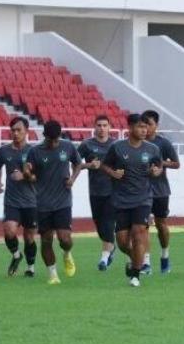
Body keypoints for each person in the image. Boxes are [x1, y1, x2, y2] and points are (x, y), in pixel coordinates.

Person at [101, 113, 163, 287]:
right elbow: (105, 165)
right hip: (121, 199)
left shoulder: (152, 149)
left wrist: (155, 172)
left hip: (143, 199)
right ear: (130, 128)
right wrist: (113, 173)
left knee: (138, 234)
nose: (144, 130)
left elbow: (158, 167)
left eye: (146, 127)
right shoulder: (117, 147)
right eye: (140, 127)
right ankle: (136, 260)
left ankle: (135, 275)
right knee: (122, 242)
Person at [23, 120, 82, 285]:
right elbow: (27, 168)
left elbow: (78, 164)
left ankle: (67, 253)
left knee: (65, 238)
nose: (54, 143)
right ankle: (53, 274)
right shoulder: (35, 151)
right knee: (47, 239)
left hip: (63, 201)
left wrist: (72, 179)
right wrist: (28, 174)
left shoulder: (68, 147)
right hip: (42, 203)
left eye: (57, 139)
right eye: (51, 140)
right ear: (45, 137)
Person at [0, 117, 37, 277]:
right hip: (12, 200)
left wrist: (25, 176)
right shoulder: (4, 150)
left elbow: (39, 176)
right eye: (13, 130)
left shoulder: (34, 151)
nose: (15, 133)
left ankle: (30, 267)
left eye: (19, 130)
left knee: (29, 237)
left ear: (26, 131)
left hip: (32, 201)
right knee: (9, 231)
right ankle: (16, 255)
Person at [141, 109, 180, 274]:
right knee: (143, 226)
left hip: (161, 191)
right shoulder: (138, 143)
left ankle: (165, 255)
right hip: (141, 191)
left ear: (156, 125)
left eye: (149, 124)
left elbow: (176, 164)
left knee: (161, 224)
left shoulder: (163, 144)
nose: (146, 128)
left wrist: (162, 163)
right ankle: (146, 262)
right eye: (143, 125)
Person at [77, 115, 117, 271]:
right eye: (99, 125)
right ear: (94, 127)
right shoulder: (87, 145)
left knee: (108, 224)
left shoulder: (115, 145)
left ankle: (104, 258)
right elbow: (75, 163)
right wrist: (88, 165)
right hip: (95, 191)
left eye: (104, 125)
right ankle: (111, 248)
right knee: (100, 226)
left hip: (112, 191)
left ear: (109, 127)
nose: (102, 128)